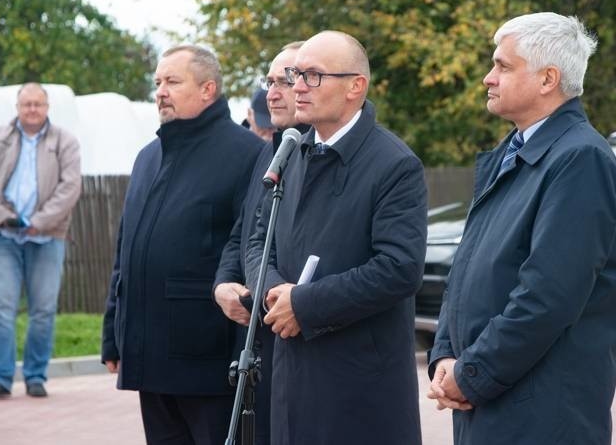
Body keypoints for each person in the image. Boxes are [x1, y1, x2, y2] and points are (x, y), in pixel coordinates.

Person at [427, 12, 616, 445]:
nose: (488, 77)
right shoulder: (514, 153)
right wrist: (445, 353)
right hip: (494, 402)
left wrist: (472, 373)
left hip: (540, 415)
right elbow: (467, 272)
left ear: (547, 79)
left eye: (503, 66)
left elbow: (548, 297)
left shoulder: (580, 159)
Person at [253, 30, 427, 445]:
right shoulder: (292, 152)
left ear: (355, 86)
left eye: (313, 76)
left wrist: (305, 304)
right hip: (291, 373)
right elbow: (259, 239)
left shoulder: (395, 164)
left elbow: (399, 269)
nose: (296, 86)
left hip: (359, 382)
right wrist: (277, 291)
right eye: (296, 74)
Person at [101, 45, 264, 444]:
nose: (160, 91)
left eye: (172, 81)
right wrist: (113, 330)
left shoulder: (248, 155)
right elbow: (127, 248)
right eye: (157, 82)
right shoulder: (147, 157)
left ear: (208, 89)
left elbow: (249, 247)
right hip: (146, 352)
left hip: (207, 358)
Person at [213, 40, 308, 445]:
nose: (273, 92)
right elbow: (245, 232)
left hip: (303, 339)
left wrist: (273, 293)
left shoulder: (320, 154)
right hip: (257, 341)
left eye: (285, 80)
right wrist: (224, 283)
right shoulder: (269, 153)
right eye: (269, 81)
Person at [0, 82, 81, 399]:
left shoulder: (65, 141)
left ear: (47, 107)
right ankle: (0, 378)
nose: (32, 109)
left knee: (43, 311)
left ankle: (36, 376)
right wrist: (2, 215)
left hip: (47, 237)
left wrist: (39, 222)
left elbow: (70, 187)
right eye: (26, 104)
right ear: (17, 107)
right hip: (2, 234)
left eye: (38, 104)